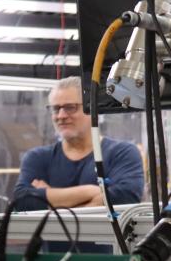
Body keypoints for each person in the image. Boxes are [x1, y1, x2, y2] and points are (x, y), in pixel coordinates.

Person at [14, 76, 143, 211]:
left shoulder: (121, 153)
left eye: (70, 107)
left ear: (91, 108)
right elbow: (22, 201)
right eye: (56, 109)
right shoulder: (38, 158)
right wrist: (91, 192)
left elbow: (126, 197)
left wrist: (51, 200)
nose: (61, 116)